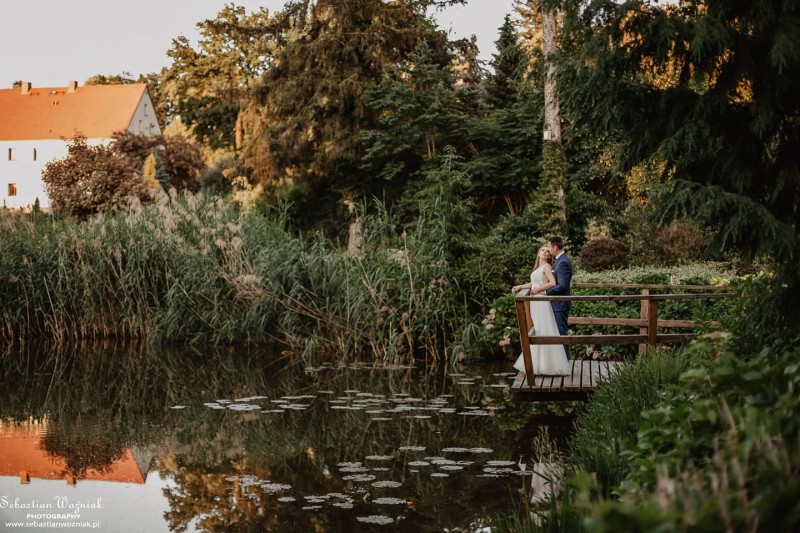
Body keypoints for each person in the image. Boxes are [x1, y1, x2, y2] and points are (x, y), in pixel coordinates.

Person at [511, 245, 570, 376]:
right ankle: (538, 364)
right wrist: (520, 286)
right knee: (537, 329)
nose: (544, 252)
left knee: (543, 329)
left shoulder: (547, 267)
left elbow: (553, 283)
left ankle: (548, 365)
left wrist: (538, 290)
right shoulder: (538, 267)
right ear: (538, 253)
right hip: (535, 302)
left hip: (541, 301)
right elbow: (533, 283)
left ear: (549, 256)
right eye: (542, 250)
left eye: (547, 251)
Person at [545, 236, 572, 358]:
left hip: (560, 304)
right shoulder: (559, 260)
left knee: (561, 334)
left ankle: (564, 362)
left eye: (549, 247)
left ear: (555, 247)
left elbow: (562, 286)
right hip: (557, 304)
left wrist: (545, 292)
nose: (548, 249)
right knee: (558, 333)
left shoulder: (563, 262)